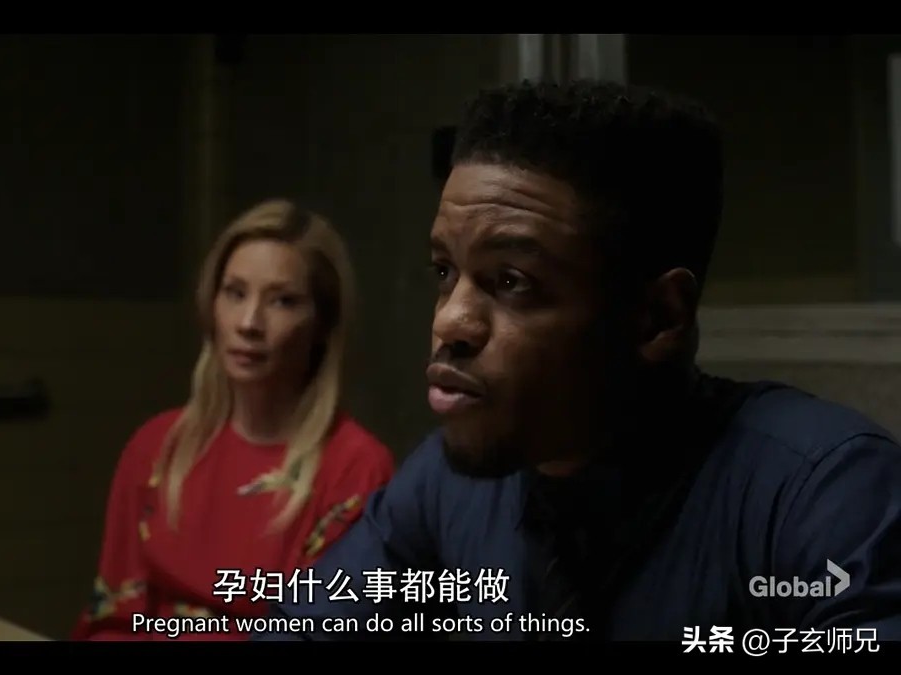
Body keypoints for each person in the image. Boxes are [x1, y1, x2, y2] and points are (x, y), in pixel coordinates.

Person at [250, 80, 901, 642]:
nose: (449, 320)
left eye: (511, 281)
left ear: (657, 318)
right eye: (445, 271)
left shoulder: (822, 494)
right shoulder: (448, 485)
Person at [72, 199, 395, 641]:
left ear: (322, 323)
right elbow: (112, 618)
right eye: (235, 293)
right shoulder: (155, 447)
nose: (249, 323)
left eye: (282, 301)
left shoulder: (356, 470)